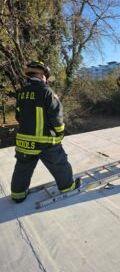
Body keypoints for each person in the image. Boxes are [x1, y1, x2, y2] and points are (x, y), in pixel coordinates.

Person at [11, 60, 79, 203]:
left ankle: (18, 195)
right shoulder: (47, 91)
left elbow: (18, 115)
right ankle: (68, 187)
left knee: (22, 168)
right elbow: (56, 116)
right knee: (60, 164)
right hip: (45, 142)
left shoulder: (21, 93)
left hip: (24, 142)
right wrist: (60, 133)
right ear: (42, 75)